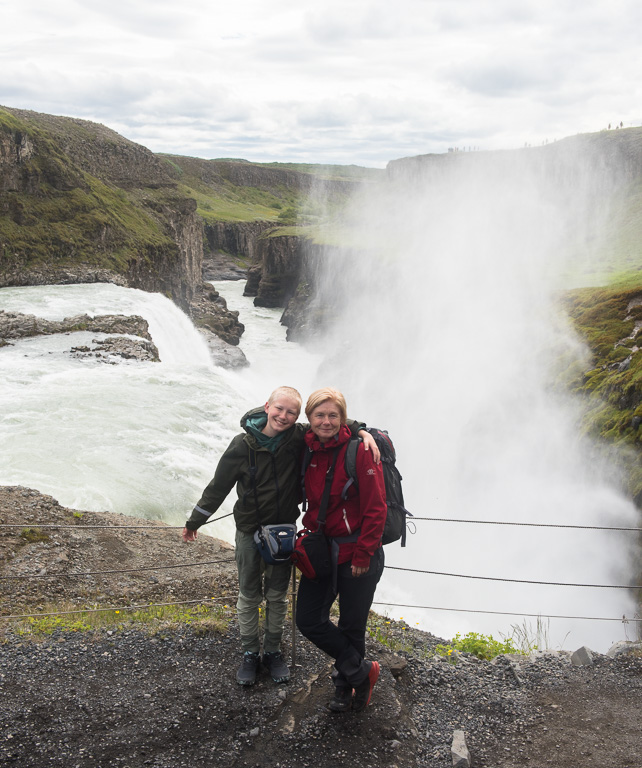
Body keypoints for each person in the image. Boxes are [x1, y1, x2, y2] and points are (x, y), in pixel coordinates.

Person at [182, 386, 378, 687]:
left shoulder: (297, 437)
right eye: (279, 409)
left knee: (276, 595)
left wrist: (362, 431)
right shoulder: (241, 445)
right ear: (266, 407)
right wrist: (195, 521)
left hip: (284, 532)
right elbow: (218, 486)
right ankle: (250, 652)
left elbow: (330, 421)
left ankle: (273, 651)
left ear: (298, 418)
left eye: (291, 412)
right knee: (249, 595)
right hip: (249, 531)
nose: (284, 416)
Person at [295, 387, 387, 713]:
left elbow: (377, 508)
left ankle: (344, 688)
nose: (327, 421)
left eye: (333, 415)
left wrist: (364, 554)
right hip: (322, 550)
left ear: (343, 418)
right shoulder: (306, 447)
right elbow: (267, 418)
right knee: (307, 619)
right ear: (309, 419)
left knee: (351, 624)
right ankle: (362, 673)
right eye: (320, 415)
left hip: (356, 552)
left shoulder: (359, 451)